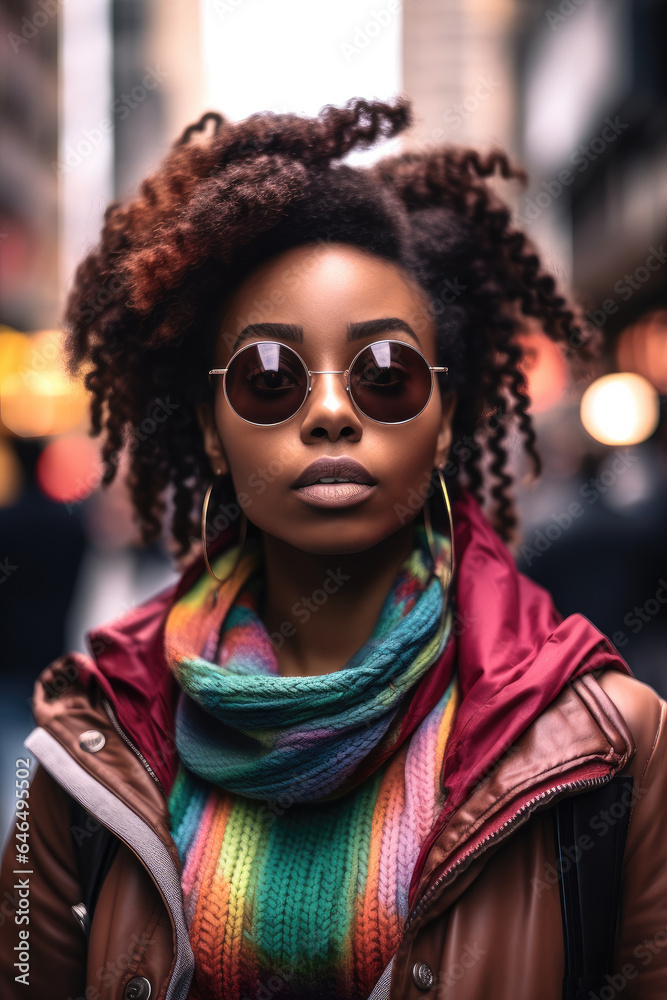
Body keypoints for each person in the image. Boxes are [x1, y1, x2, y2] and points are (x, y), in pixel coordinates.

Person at [0, 96, 665, 1000]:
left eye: (383, 375)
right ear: (209, 432)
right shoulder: (87, 745)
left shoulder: (610, 740)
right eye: (268, 376)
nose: (329, 411)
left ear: (442, 425)